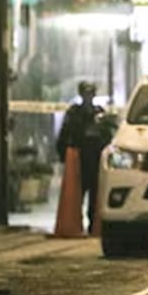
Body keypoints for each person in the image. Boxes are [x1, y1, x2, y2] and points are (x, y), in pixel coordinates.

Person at [56, 82, 114, 233]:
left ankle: (93, 224)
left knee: (95, 195)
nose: (88, 97)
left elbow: (108, 137)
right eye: (86, 94)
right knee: (76, 195)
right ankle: (75, 224)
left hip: (95, 159)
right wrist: (63, 155)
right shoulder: (74, 113)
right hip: (79, 159)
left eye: (91, 94)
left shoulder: (99, 113)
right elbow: (65, 134)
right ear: (81, 95)